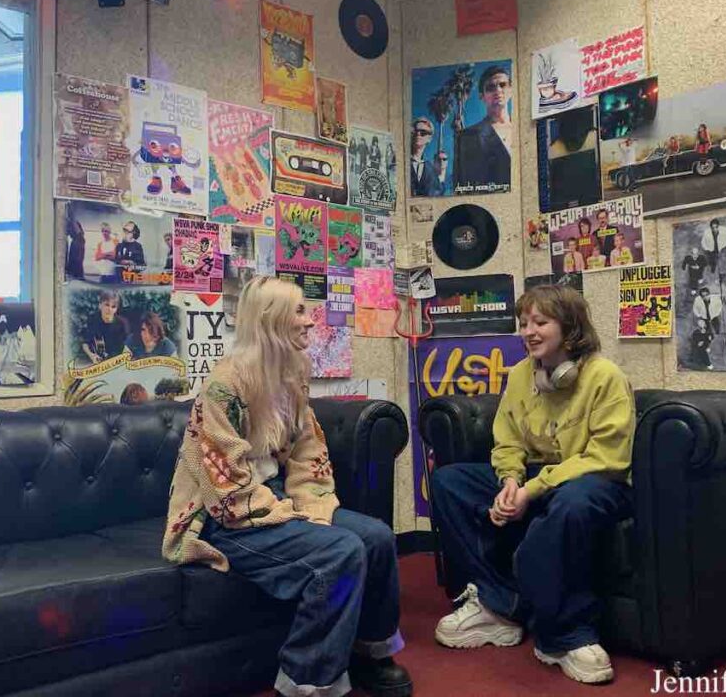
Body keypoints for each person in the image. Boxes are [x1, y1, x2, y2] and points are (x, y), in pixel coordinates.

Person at [162, 277, 412, 697]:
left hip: (276, 497)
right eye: (298, 311)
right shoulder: (224, 386)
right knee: (340, 551)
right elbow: (222, 481)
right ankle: (305, 682)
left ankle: (370, 651)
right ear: (269, 319)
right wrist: (284, 514)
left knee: (377, 538)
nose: (310, 321)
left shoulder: (292, 377)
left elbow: (306, 449)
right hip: (228, 517)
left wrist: (310, 504)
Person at [430, 285, 634, 686]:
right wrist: (509, 481)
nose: (529, 331)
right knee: (448, 482)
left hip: (593, 481)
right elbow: (507, 438)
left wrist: (532, 490)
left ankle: (565, 635)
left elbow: (607, 457)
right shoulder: (522, 374)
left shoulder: (605, 377)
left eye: (541, 322)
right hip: (536, 479)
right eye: (524, 323)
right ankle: (498, 605)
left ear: (570, 327)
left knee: (573, 502)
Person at [456, 65, 512, 189]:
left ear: (511, 90)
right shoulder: (467, 137)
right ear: (482, 96)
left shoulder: (523, 129)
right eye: (491, 87)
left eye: (502, 85)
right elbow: (464, 185)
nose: (498, 90)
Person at [82, 291, 128, 364]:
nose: (109, 309)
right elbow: (85, 343)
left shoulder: (122, 324)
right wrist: (92, 356)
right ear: (100, 305)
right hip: (96, 360)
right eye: (107, 305)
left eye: (113, 307)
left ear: (116, 309)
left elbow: (126, 346)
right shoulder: (92, 319)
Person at [409, 117, 441, 197]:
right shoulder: (399, 161)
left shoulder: (432, 171)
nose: (418, 134)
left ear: (429, 139)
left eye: (423, 132)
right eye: (415, 131)